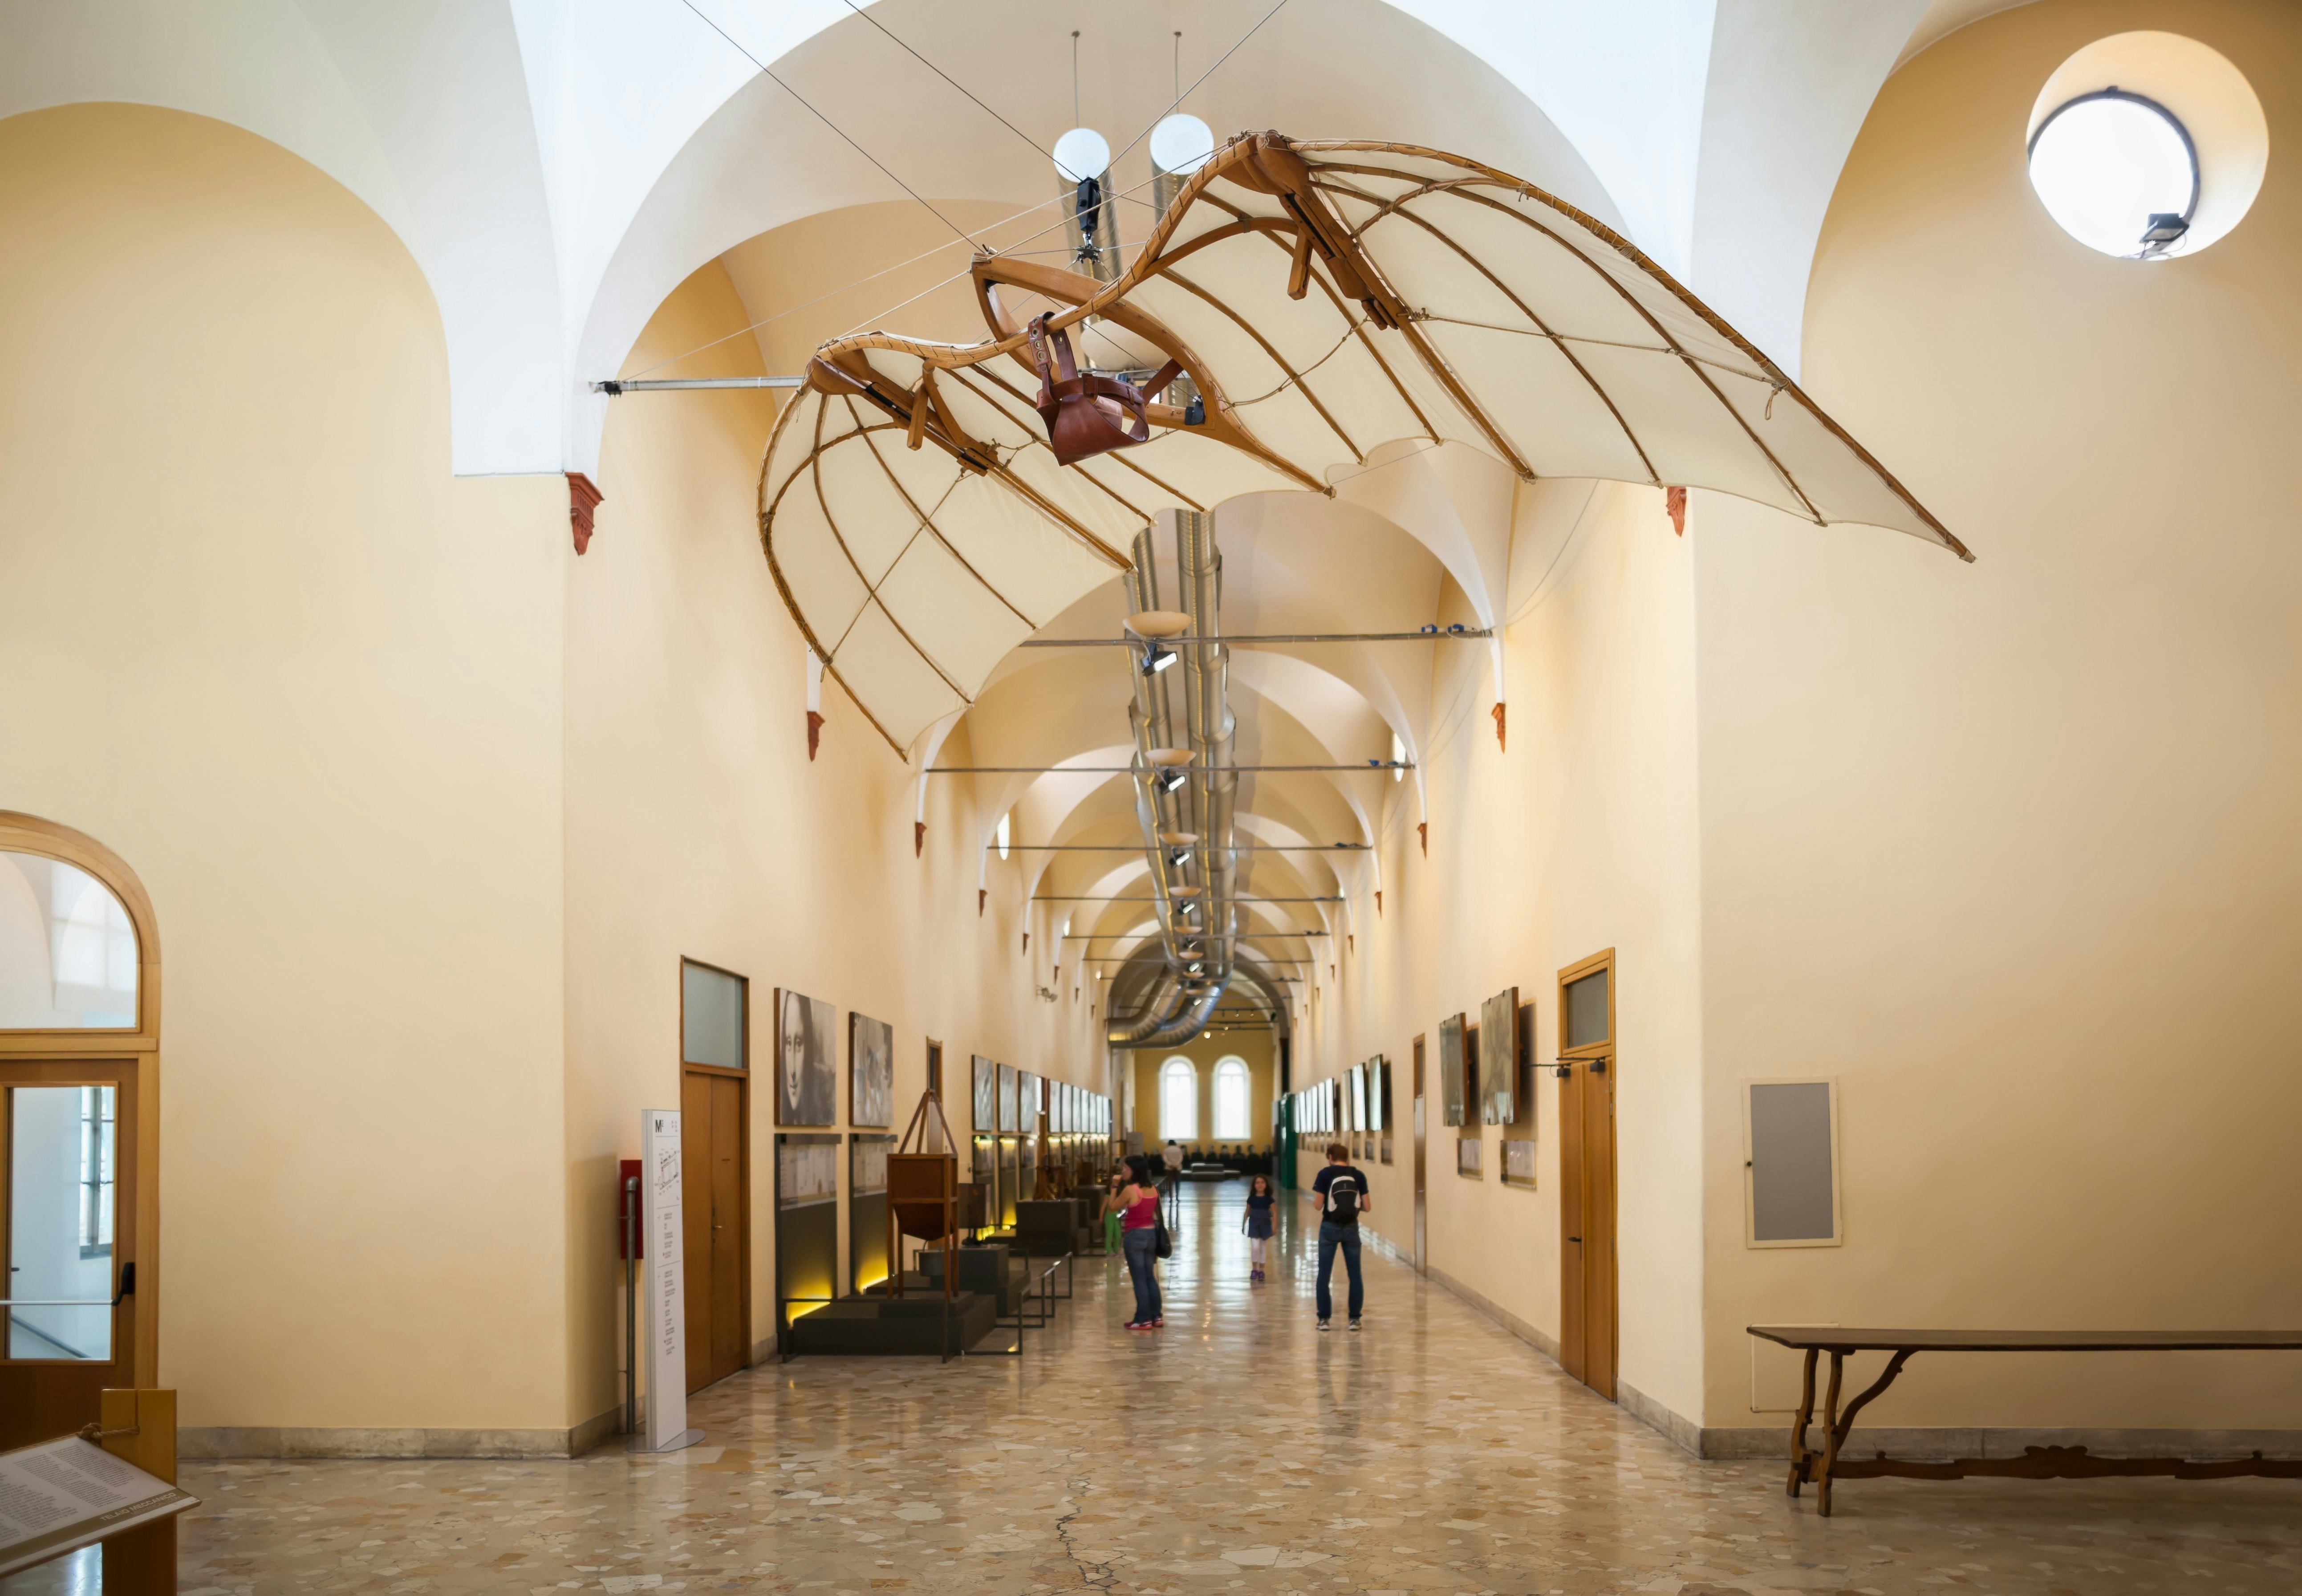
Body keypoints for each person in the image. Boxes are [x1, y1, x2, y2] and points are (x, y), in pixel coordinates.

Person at [1310, 1142, 1372, 1331]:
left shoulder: (1325, 1174)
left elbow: (1319, 1205)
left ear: (1330, 1157)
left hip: (1329, 1227)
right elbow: (1368, 1207)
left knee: (1324, 1274)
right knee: (1355, 1275)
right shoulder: (1358, 1175)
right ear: (1347, 1157)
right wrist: (1352, 1209)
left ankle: (1324, 1319)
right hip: (1351, 1228)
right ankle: (1354, 1319)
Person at [1105, 1155, 1164, 1329]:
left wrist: (1114, 1187)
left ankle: (1142, 1319)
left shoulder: (1131, 1189)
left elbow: (1112, 1207)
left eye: (1126, 1168)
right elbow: (1156, 1214)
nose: (1123, 1171)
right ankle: (1156, 1316)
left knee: (1139, 1279)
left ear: (1134, 1170)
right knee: (1149, 1277)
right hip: (1151, 1235)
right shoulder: (1153, 1189)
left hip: (1135, 1237)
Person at [1242, 1174, 1276, 1283]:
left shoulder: (1269, 1199)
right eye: (1257, 1183)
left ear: (1266, 1185)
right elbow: (1247, 1212)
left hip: (1265, 1225)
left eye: (1262, 1182)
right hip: (1254, 1225)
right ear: (1254, 1185)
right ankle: (1254, 1269)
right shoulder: (1251, 1199)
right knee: (1255, 1246)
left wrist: (1274, 1226)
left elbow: (1275, 1213)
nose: (1260, 1185)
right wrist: (1244, 1225)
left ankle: (1261, 1270)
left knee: (1263, 1247)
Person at [1102, 1165, 1126, 1255]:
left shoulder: (1117, 1197)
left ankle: (1116, 1249)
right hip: (1109, 1217)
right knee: (1109, 1234)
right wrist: (1101, 1217)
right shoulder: (1107, 1197)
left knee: (1118, 1235)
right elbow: (1103, 1208)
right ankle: (1108, 1250)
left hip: (1116, 1217)